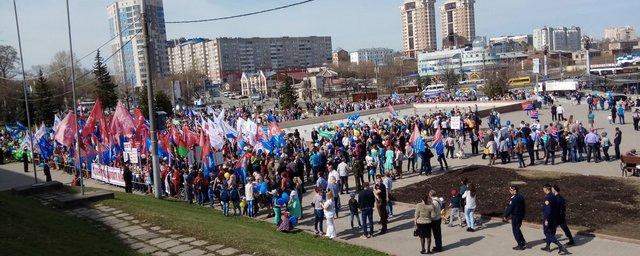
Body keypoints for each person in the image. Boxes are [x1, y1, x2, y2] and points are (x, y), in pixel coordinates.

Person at [541, 184, 570, 255]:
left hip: (548, 218)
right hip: (553, 217)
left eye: (543, 189)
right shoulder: (553, 196)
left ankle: (560, 246)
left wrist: (547, 220)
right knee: (550, 232)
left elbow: (548, 210)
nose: (543, 190)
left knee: (547, 232)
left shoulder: (548, 197)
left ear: (546, 189)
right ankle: (547, 246)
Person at [503, 185, 527, 250]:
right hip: (520, 216)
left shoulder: (514, 199)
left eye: (511, 190)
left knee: (515, 231)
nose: (509, 191)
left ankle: (520, 245)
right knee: (518, 229)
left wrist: (505, 216)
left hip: (515, 216)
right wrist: (523, 214)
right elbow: (524, 207)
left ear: (515, 190)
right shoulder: (521, 197)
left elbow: (510, 208)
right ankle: (523, 241)